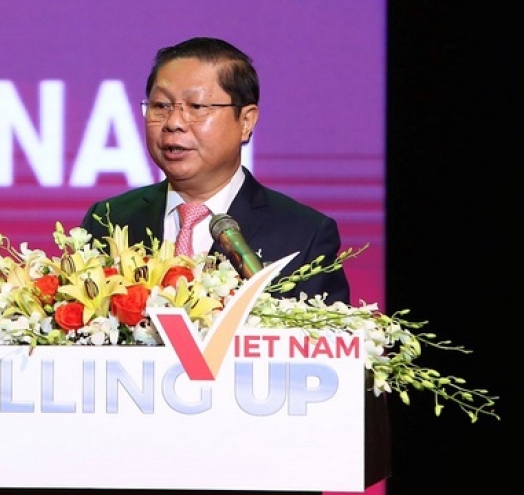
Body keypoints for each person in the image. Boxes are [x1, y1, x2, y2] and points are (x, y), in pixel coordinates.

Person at [80, 37, 391, 494]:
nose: (174, 123)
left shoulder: (303, 234)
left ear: (246, 121)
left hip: (252, 474)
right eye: (161, 107)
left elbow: (323, 381)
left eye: (196, 108)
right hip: (128, 471)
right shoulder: (109, 220)